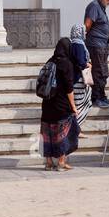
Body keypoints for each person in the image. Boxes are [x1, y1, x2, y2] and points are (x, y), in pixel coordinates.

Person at [41, 37, 80, 171]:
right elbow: (69, 88)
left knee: (47, 135)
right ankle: (61, 162)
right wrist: (74, 106)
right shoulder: (66, 64)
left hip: (47, 104)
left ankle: (49, 163)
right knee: (63, 134)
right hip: (61, 105)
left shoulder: (49, 61)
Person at [84, 0, 109, 108]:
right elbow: (87, 25)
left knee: (102, 72)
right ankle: (97, 97)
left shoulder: (101, 7)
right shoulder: (94, 6)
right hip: (96, 45)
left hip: (102, 45)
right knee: (99, 72)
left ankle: (101, 95)